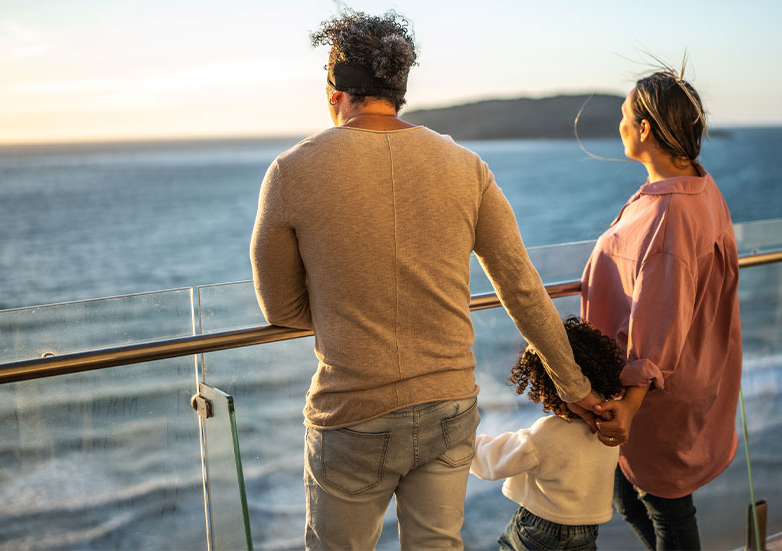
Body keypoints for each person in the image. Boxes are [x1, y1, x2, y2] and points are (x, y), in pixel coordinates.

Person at [249, 10, 601, 550]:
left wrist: (349, 307)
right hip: (449, 405)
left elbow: (280, 309)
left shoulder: (292, 170)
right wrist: (574, 387)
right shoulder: (466, 166)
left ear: (335, 89)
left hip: (352, 411)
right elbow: (522, 288)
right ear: (399, 88)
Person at [579, 64, 742, 550]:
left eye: (625, 116)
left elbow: (661, 315)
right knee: (637, 497)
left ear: (645, 129)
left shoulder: (671, 210)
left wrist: (629, 405)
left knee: (664, 506)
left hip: (656, 393)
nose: (621, 125)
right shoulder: (699, 186)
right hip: (687, 373)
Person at [471, 317, 625, 551]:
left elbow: (494, 461)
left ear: (548, 388)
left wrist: (463, 443)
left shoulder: (547, 432)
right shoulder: (609, 427)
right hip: (586, 533)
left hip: (540, 528)